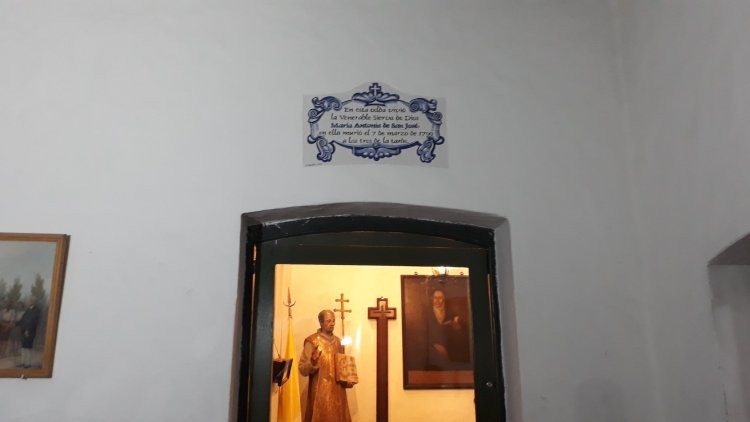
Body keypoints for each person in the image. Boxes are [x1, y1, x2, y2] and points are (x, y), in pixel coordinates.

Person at [298, 309, 353, 422]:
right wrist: (312, 363)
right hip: (320, 395)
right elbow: (302, 369)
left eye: (333, 321)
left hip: (338, 394)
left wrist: (348, 379)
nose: (332, 323)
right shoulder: (312, 341)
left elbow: (342, 368)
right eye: (328, 321)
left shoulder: (339, 342)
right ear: (321, 323)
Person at [425, 287, 471, 370]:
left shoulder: (450, 312)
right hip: (431, 349)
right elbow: (422, 333)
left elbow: (460, 332)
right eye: (435, 297)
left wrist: (456, 327)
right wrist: (434, 345)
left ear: (444, 299)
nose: (437, 300)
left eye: (440, 298)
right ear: (432, 298)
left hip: (449, 350)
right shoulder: (426, 312)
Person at [16, 297, 41, 368]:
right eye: (30, 300)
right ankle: (22, 362)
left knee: (28, 347)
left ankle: (28, 363)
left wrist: (28, 330)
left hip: (30, 332)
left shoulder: (37, 310)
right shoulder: (28, 310)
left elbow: (34, 322)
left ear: (34, 302)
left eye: (31, 300)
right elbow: (23, 319)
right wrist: (15, 324)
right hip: (24, 331)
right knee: (23, 347)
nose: (29, 301)